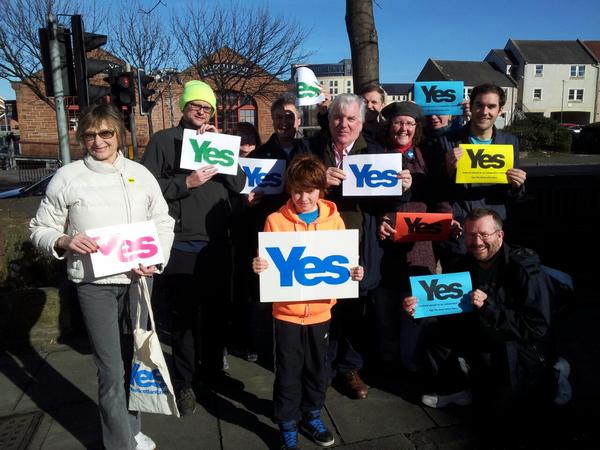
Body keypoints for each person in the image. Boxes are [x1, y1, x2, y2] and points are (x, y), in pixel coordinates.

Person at [29, 103, 175, 450]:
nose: (98, 141)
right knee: (110, 369)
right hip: (95, 284)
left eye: (106, 133)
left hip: (139, 280)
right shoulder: (68, 177)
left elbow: (163, 221)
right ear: (82, 138)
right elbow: (40, 228)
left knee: (137, 358)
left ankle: (131, 427)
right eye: (91, 135)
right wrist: (63, 240)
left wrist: (157, 259)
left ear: (119, 135)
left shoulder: (140, 174)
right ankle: (119, 443)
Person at [403, 208, 571, 441]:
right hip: (483, 336)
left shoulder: (524, 270)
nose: (476, 241)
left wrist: (490, 308)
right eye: (471, 235)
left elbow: (537, 327)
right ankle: (457, 387)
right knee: (434, 332)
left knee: (505, 417)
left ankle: (555, 374)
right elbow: (448, 310)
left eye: (484, 234)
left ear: (500, 235)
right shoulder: (462, 264)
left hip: (519, 344)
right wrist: (419, 307)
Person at [141, 80, 246, 415]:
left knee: (217, 315)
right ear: (184, 108)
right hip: (182, 242)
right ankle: (184, 383)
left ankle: (214, 372)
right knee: (184, 319)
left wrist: (222, 152)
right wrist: (185, 182)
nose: (201, 111)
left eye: (207, 107)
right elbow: (145, 188)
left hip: (217, 241)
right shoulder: (163, 141)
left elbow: (240, 184)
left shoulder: (219, 142)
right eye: (195, 105)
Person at [252, 154, 364, 449]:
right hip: (286, 314)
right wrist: (260, 266)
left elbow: (345, 262)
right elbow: (269, 261)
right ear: (289, 189)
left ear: (321, 190)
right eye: (298, 190)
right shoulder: (275, 220)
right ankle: (287, 422)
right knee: (288, 372)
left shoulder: (334, 219)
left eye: (310, 190)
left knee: (317, 370)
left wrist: (355, 271)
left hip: (321, 312)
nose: (304, 197)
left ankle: (311, 414)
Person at [308, 93, 411, 400]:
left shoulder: (378, 153)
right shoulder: (311, 149)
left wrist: (403, 188)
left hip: (358, 244)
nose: (344, 124)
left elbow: (387, 202)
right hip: (318, 243)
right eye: (338, 117)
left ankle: (349, 368)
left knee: (355, 311)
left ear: (362, 121)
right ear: (328, 120)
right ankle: (321, 369)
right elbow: (292, 185)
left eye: (351, 118)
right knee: (322, 309)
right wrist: (318, 179)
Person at [374, 102, 450, 373]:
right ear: (389, 126)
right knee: (384, 312)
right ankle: (388, 364)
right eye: (398, 122)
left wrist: (447, 221)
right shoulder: (375, 154)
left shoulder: (427, 157)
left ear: (416, 129)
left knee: (415, 313)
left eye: (409, 123)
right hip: (383, 249)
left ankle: (413, 365)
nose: (403, 128)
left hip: (420, 248)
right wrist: (381, 219)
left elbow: (441, 200)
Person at [436, 83, 527, 263]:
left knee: (492, 288)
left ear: (500, 110)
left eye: (491, 106)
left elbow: (513, 195)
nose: (484, 111)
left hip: (493, 231)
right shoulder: (448, 140)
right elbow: (436, 189)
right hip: (459, 231)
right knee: (459, 283)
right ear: (472, 106)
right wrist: (446, 169)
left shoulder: (510, 142)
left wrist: (517, 185)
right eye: (479, 105)